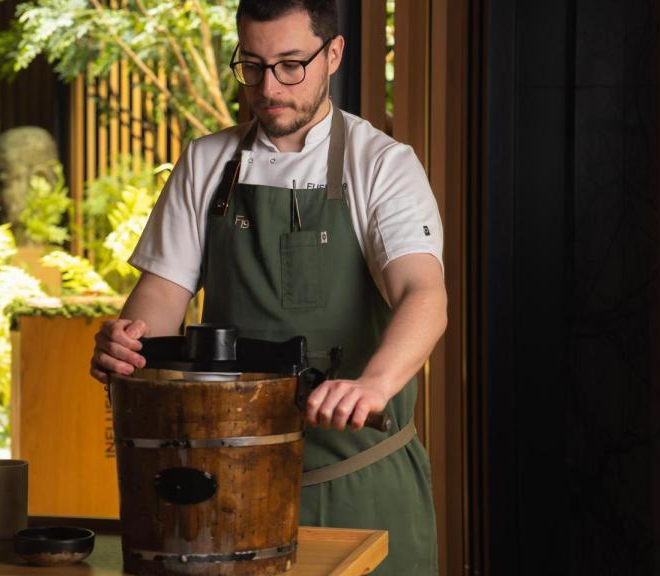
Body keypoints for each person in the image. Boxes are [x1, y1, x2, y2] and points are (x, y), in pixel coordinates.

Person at [90, 1, 446, 573]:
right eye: (252, 66)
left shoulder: (381, 164)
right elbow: (156, 308)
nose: (268, 86)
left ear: (333, 55)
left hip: (357, 485)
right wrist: (126, 346)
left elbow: (424, 296)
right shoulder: (206, 162)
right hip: (226, 492)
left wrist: (373, 386)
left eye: (289, 65)